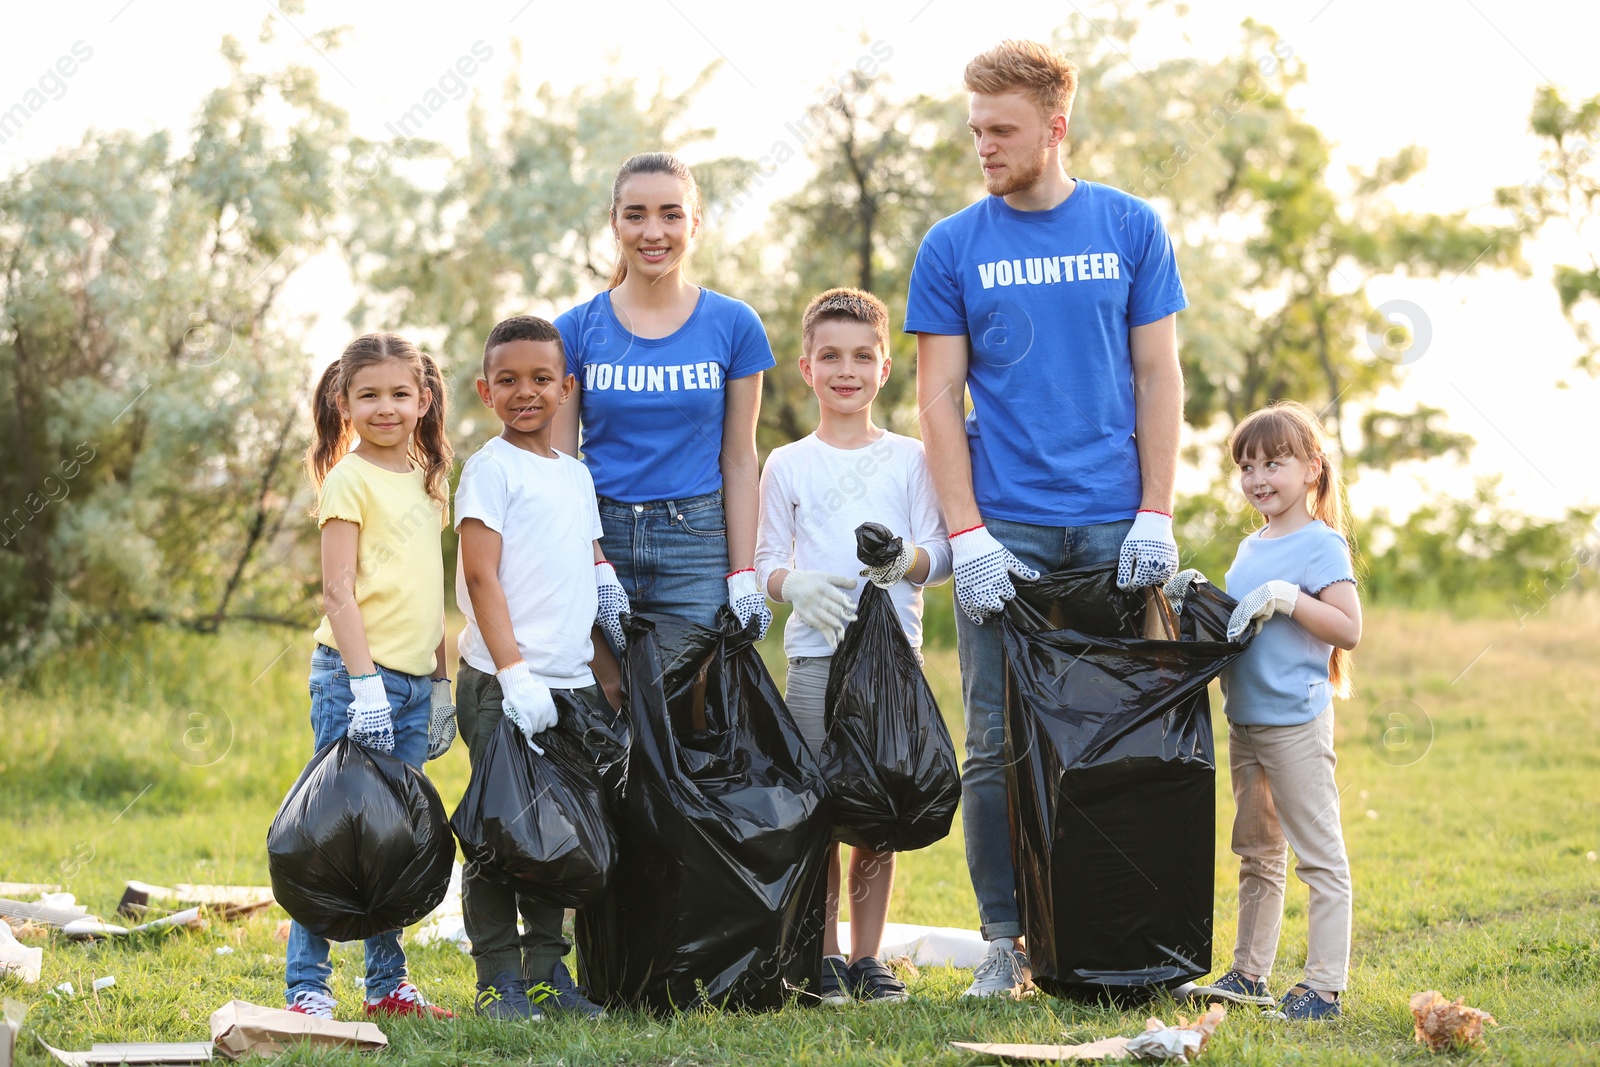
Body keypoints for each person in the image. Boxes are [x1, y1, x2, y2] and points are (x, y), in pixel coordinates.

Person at [906, 39, 1189, 997]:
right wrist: (967, 533)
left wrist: (1157, 509)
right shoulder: (953, 246)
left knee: (1119, 730)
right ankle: (1005, 942)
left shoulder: (1129, 226)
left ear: (1055, 127)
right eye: (974, 128)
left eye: (1002, 130)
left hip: (1116, 528)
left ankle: (1119, 931)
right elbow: (938, 399)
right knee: (995, 737)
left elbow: (1158, 373)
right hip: (1008, 531)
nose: (982, 145)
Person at [754, 288, 952, 1005]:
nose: (847, 369)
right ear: (805, 367)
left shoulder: (911, 458)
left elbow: (944, 551)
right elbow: (764, 562)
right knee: (821, 808)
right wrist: (794, 584)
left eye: (862, 356)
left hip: (892, 662)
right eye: (830, 356)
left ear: (885, 366)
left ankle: (870, 957)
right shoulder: (788, 464)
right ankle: (824, 955)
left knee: (880, 807)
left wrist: (906, 564)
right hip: (815, 659)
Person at [452, 315, 624, 1021]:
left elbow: (582, 560)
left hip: (572, 685)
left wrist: (606, 650)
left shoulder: (575, 474)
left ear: (566, 387)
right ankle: (498, 978)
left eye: (541, 379)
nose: (526, 392)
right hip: (505, 686)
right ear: (486, 389)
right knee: (501, 833)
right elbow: (481, 576)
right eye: (510, 380)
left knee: (557, 831)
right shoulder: (490, 469)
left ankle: (549, 973)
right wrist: (515, 672)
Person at [286, 333, 456, 1020]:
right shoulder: (348, 480)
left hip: (415, 686)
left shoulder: (428, 476)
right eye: (369, 395)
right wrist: (365, 689)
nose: (385, 407)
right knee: (334, 835)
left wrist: (439, 683)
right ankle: (307, 987)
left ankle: (387, 985)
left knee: (394, 840)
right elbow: (338, 592)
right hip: (356, 681)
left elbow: (429, 590)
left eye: (398, 393)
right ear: (344, 401)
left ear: (423, 399)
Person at [1184, 400, 1361, 1021]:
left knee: (1319, 855)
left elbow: (1347, 628)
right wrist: (1198, 596)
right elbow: (1237, 626)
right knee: (1257, 852)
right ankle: (1249, 974)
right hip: (1247, 723)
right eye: (1248, 467)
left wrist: (1289, 598)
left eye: (1274, 464)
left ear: (1312, 468)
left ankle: (1324, 987)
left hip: (1296, 724)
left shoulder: (1321, 543)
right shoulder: (1250, 545)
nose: (1259, 479)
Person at [553, 152, 773, 638]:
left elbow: (739, 458)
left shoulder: (735, 325)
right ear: (614, 223)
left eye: (671, 214)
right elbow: (559, 465)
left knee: (699, 711)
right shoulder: (572, 331)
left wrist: (743, 573)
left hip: (697, 545)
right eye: (636, 215)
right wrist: (594, 562)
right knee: (603, 709)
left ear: (694, 222)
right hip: (598, 533)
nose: (653, 232)